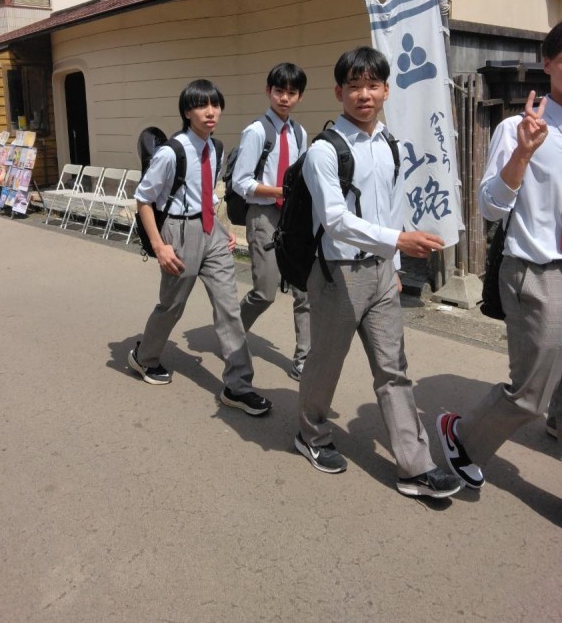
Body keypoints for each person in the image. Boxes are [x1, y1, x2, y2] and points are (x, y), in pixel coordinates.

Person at [295, 46, 462, 499]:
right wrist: (397, 241)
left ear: (387, 90)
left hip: (383, 271)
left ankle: (416, 466)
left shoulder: (388, 143)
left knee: (393, 369)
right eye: (354, 86)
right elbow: (335, 221)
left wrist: (395, 260)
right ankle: (311, 433)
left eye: (372, 85)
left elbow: (390, 206)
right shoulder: (324, 151)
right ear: (339, 92)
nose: (364, 94)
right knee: (325, 364)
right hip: (338, 274)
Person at [437, 21, 562, 486]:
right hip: (539, 269)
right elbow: (490, 206)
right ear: (547, 63)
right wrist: (523, 155)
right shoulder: (518, 128)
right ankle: (462, 435)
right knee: (530, 394)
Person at [128, 79, 272, 416]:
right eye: (201, 106)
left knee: (229, 308)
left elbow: (209, 194)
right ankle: (144, 357)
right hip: (178, 233)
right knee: (172, 305)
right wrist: (160, 247)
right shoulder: (171, 152)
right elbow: (144, 199)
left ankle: (238, 386)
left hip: (211, 233)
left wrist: (222, 230)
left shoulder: (216, 147)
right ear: (187, 112)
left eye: (215, 105)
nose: (210, 112)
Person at [232, 63, 310, 380]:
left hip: (293, 217)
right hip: (264, 214)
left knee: (305, 291)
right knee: (265, 291)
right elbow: (241, 182)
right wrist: (279, 191)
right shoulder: (256, 132)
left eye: (292, 92)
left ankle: (304, 359)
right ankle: (232, 333)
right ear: (268, 91)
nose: (285, 98)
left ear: (300, 96)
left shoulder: (300, 133)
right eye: (279, 91)